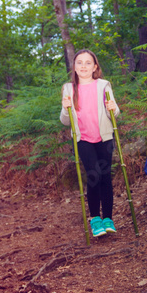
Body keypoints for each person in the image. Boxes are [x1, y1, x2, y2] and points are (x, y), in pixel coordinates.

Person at [60, 50, 120, 237]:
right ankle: (95, 219)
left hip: (105, 137)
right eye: (79, 63)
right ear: (74, 66)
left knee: (105, 176)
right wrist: (65, 108)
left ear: (95, 67)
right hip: (82, 138)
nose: (83, 66)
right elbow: (65, 120)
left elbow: (115, 112)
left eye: (88, 63)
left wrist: (113, 108)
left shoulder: (103, 85)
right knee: (93, 175)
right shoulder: (69, 88)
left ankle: (108, 218)